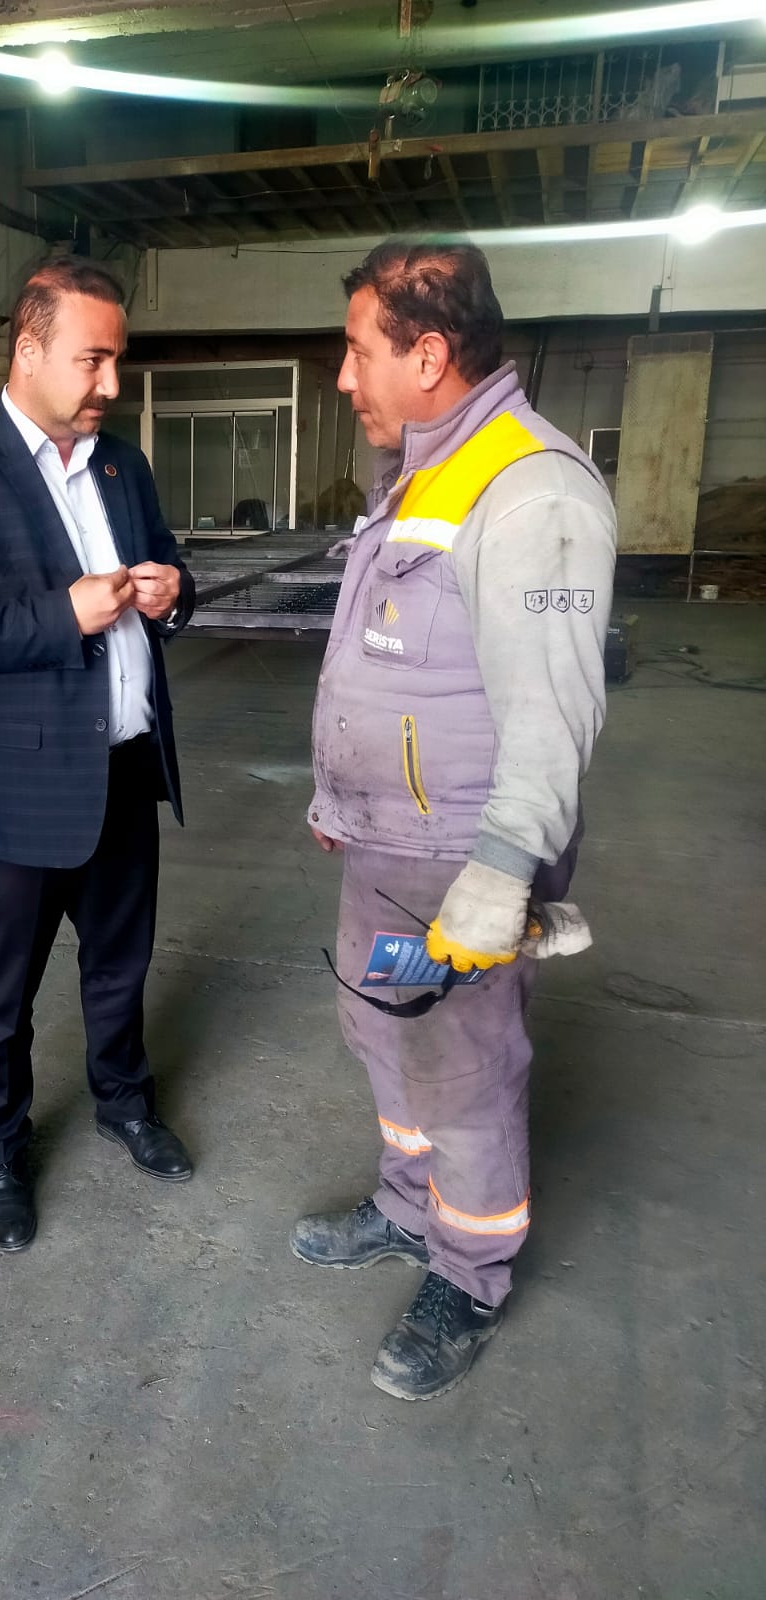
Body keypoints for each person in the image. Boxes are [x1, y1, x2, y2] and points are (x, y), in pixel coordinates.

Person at [292, 239, 616, 1400]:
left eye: (358, 351)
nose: (345, 377)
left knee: (464, 1069)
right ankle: (405, 1204)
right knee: (388, 1029)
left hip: (460, 862)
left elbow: (556, 710)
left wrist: (501, 872)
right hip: (388, 850)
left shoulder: (533, 489)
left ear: (428, 356)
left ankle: (469, 1274)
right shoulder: (430, 468)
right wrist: (343, 794)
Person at [0, 257, 196, 1253]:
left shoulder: (121, 467)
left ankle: (124, 1101)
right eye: (91, 360)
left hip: (125, 767)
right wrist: (61, 615)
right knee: (3, 994)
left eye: (116, 360)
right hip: (21, 789)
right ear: (28, 352)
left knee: (119, 965)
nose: (111, 382)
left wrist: (173, 593)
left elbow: (171, 568)